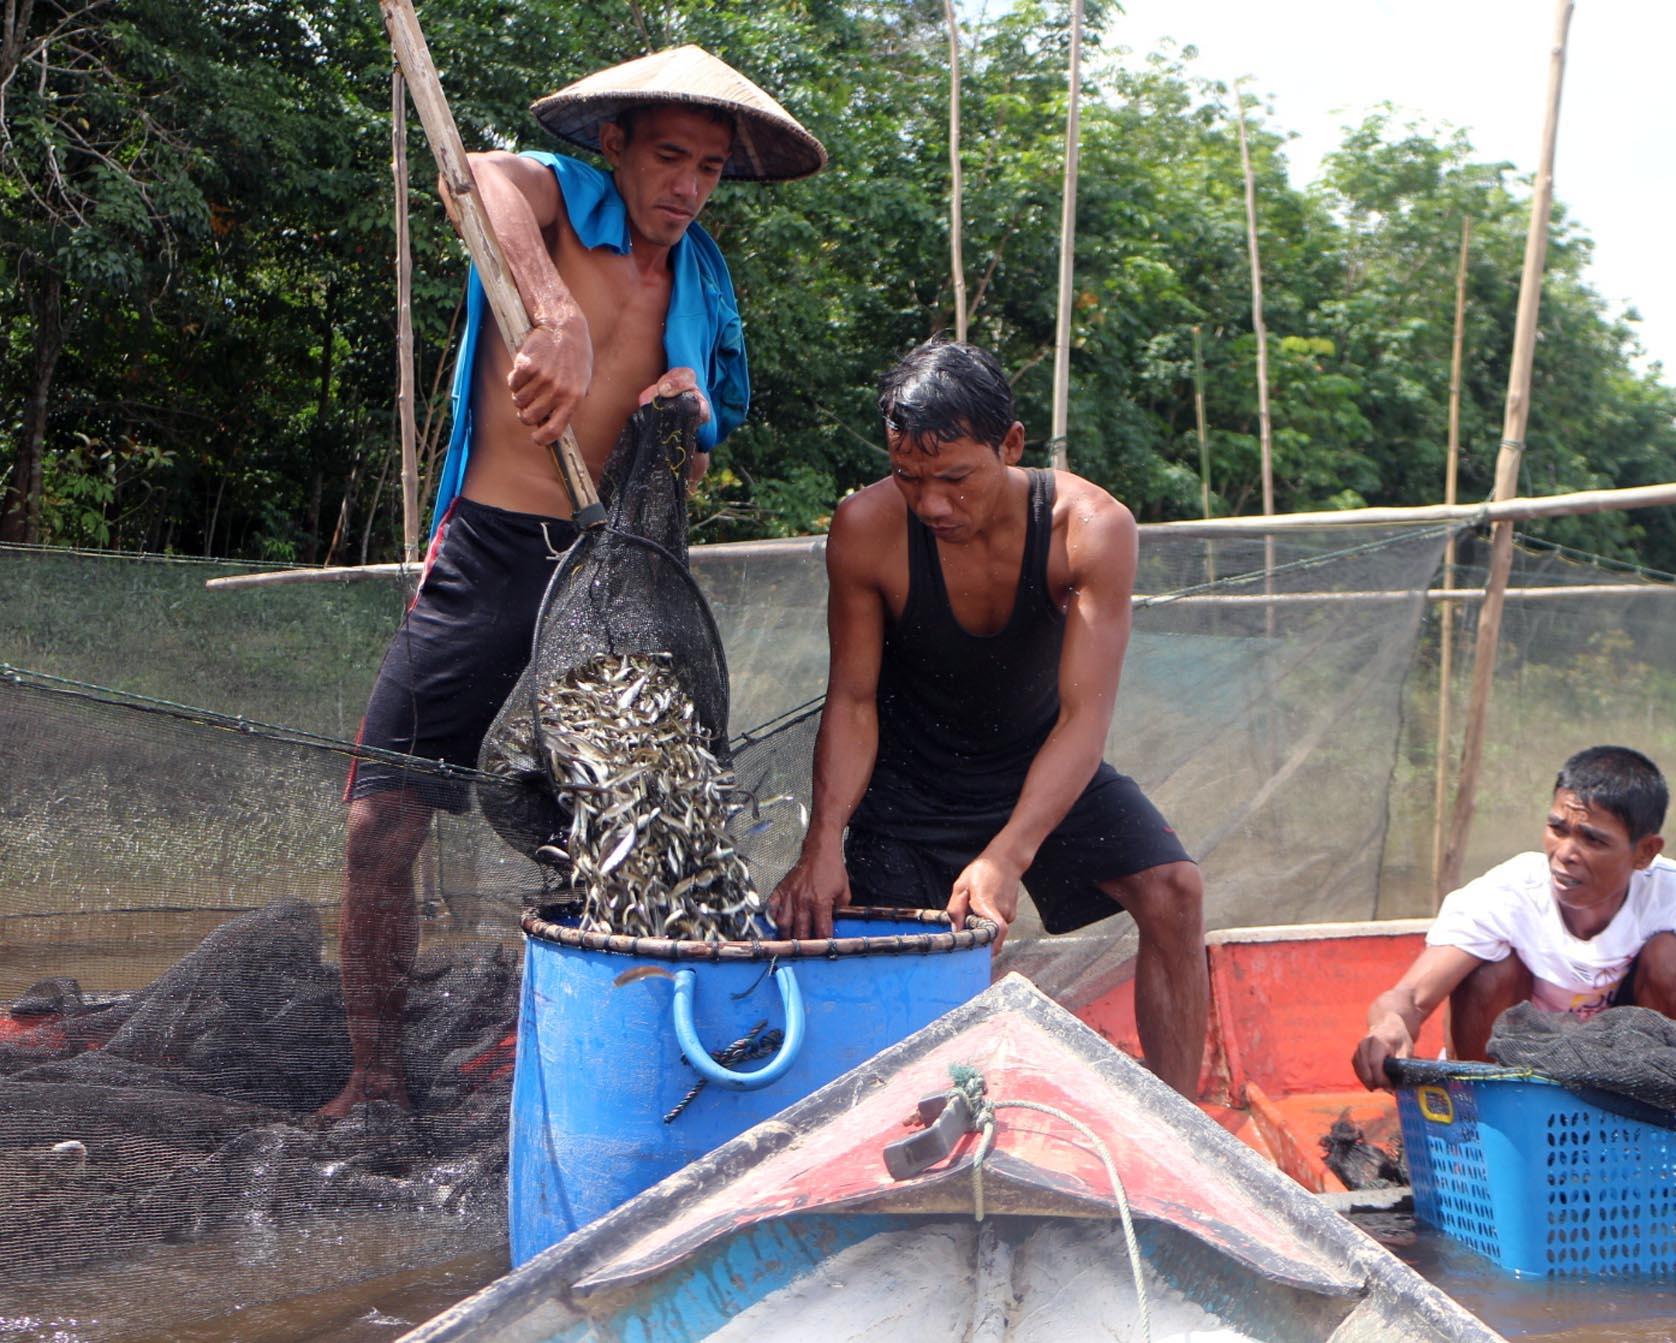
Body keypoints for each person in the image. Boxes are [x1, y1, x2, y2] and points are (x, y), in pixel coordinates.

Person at [322, 48, 825, 1120]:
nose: (687, 187)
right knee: (381, 819)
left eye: (709, 168)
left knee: (628, 826)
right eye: (669, 157)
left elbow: (708, 438)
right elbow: (476, 177)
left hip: (619, 574)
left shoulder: (704, 280)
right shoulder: (562, 199)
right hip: (492, 553)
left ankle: (613, 1059)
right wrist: (552, 312)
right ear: (616, 145)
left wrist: (689, 412)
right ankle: (374, 1075)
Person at [766, 339, 1209, 1098]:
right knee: (913, 961)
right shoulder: (866, 527)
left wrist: (1008, 854)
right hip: (911, 785)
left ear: (1010, 445)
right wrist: (823, 841)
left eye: (955, 478)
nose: (932, 504)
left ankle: (1184, 1126)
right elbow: (853, 700)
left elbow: (1084, 718)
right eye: (909, 477)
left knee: (1175, 890)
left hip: (1042, 762)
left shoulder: (1090, 526)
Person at [1351, 745, 1676, 1090]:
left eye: (1592, 840)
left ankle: (1661, 1115)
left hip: (1629, 1075)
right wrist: (1389, 1025)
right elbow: (1409, 998)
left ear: (1645, 852)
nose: (1565, 853)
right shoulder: (1505, 894)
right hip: (1521, 1074)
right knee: (1488, 968)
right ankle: (1488, 1123)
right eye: (1557, 829)